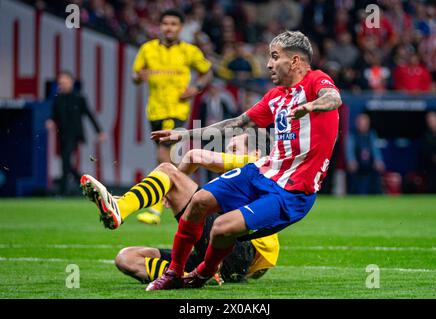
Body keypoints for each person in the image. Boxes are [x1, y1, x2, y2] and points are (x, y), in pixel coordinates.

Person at [147, 30, 342, 290]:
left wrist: (312, 106)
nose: (269, 64)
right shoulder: (275, 97)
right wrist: (184, 134)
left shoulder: (316, 81)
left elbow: (334, 98)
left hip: (292, 192)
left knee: (221, 228)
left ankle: (201, 275)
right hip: (262, 173)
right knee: (199, 201)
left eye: (274, 57)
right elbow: (236, 123)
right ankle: (174, 272)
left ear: (295, 61)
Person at [80, 133, 279, 284]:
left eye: (234, 150)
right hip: (228, 258)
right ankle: (194, 276)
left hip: (238, 251)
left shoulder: (255, 165)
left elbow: (194, 156)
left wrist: (170, 185)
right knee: (126, 258)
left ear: (256, 153)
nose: (227, 155)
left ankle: (121, 206)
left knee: (167, 169)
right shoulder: (243, 181)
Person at [132, 9, 213, 225]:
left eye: (174, 24)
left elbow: (207, 71)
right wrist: (139, 77)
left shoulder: (189, 51)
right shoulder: (147, 49)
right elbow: (135, 75)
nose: (169, 27)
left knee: (163, 156)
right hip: (155, 111)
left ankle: (156, 208)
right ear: (160, 26)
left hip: (176, 110)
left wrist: (195, 87)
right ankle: (187, 199)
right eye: (166, 23)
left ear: (180, 27)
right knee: (173, 160)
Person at [45, 71, 106, 195]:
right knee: (65, 162)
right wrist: (51, 121)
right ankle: (85, 182)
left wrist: (99, 132)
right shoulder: (58, 98)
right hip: (62, 134)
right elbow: (54, 115)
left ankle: (63, 191)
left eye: (64, 82)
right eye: (60, 82)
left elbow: (89, 115)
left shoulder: (78, 97)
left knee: (66, 159)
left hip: (74, 134)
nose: (62, 84)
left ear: (71, 82)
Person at [346, 113, 385, 195]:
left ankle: (377, 195)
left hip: (369, 164)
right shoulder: (352, 135)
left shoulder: (371, 134)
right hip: (357, 164)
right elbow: (350, 150)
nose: (363, 125)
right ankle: (353, 196)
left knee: (377, 171)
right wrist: (351, 161)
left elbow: (375, 150)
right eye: (361, 123)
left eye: (365, 123)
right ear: (357, 123)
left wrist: (378, 161)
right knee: (352, 172)